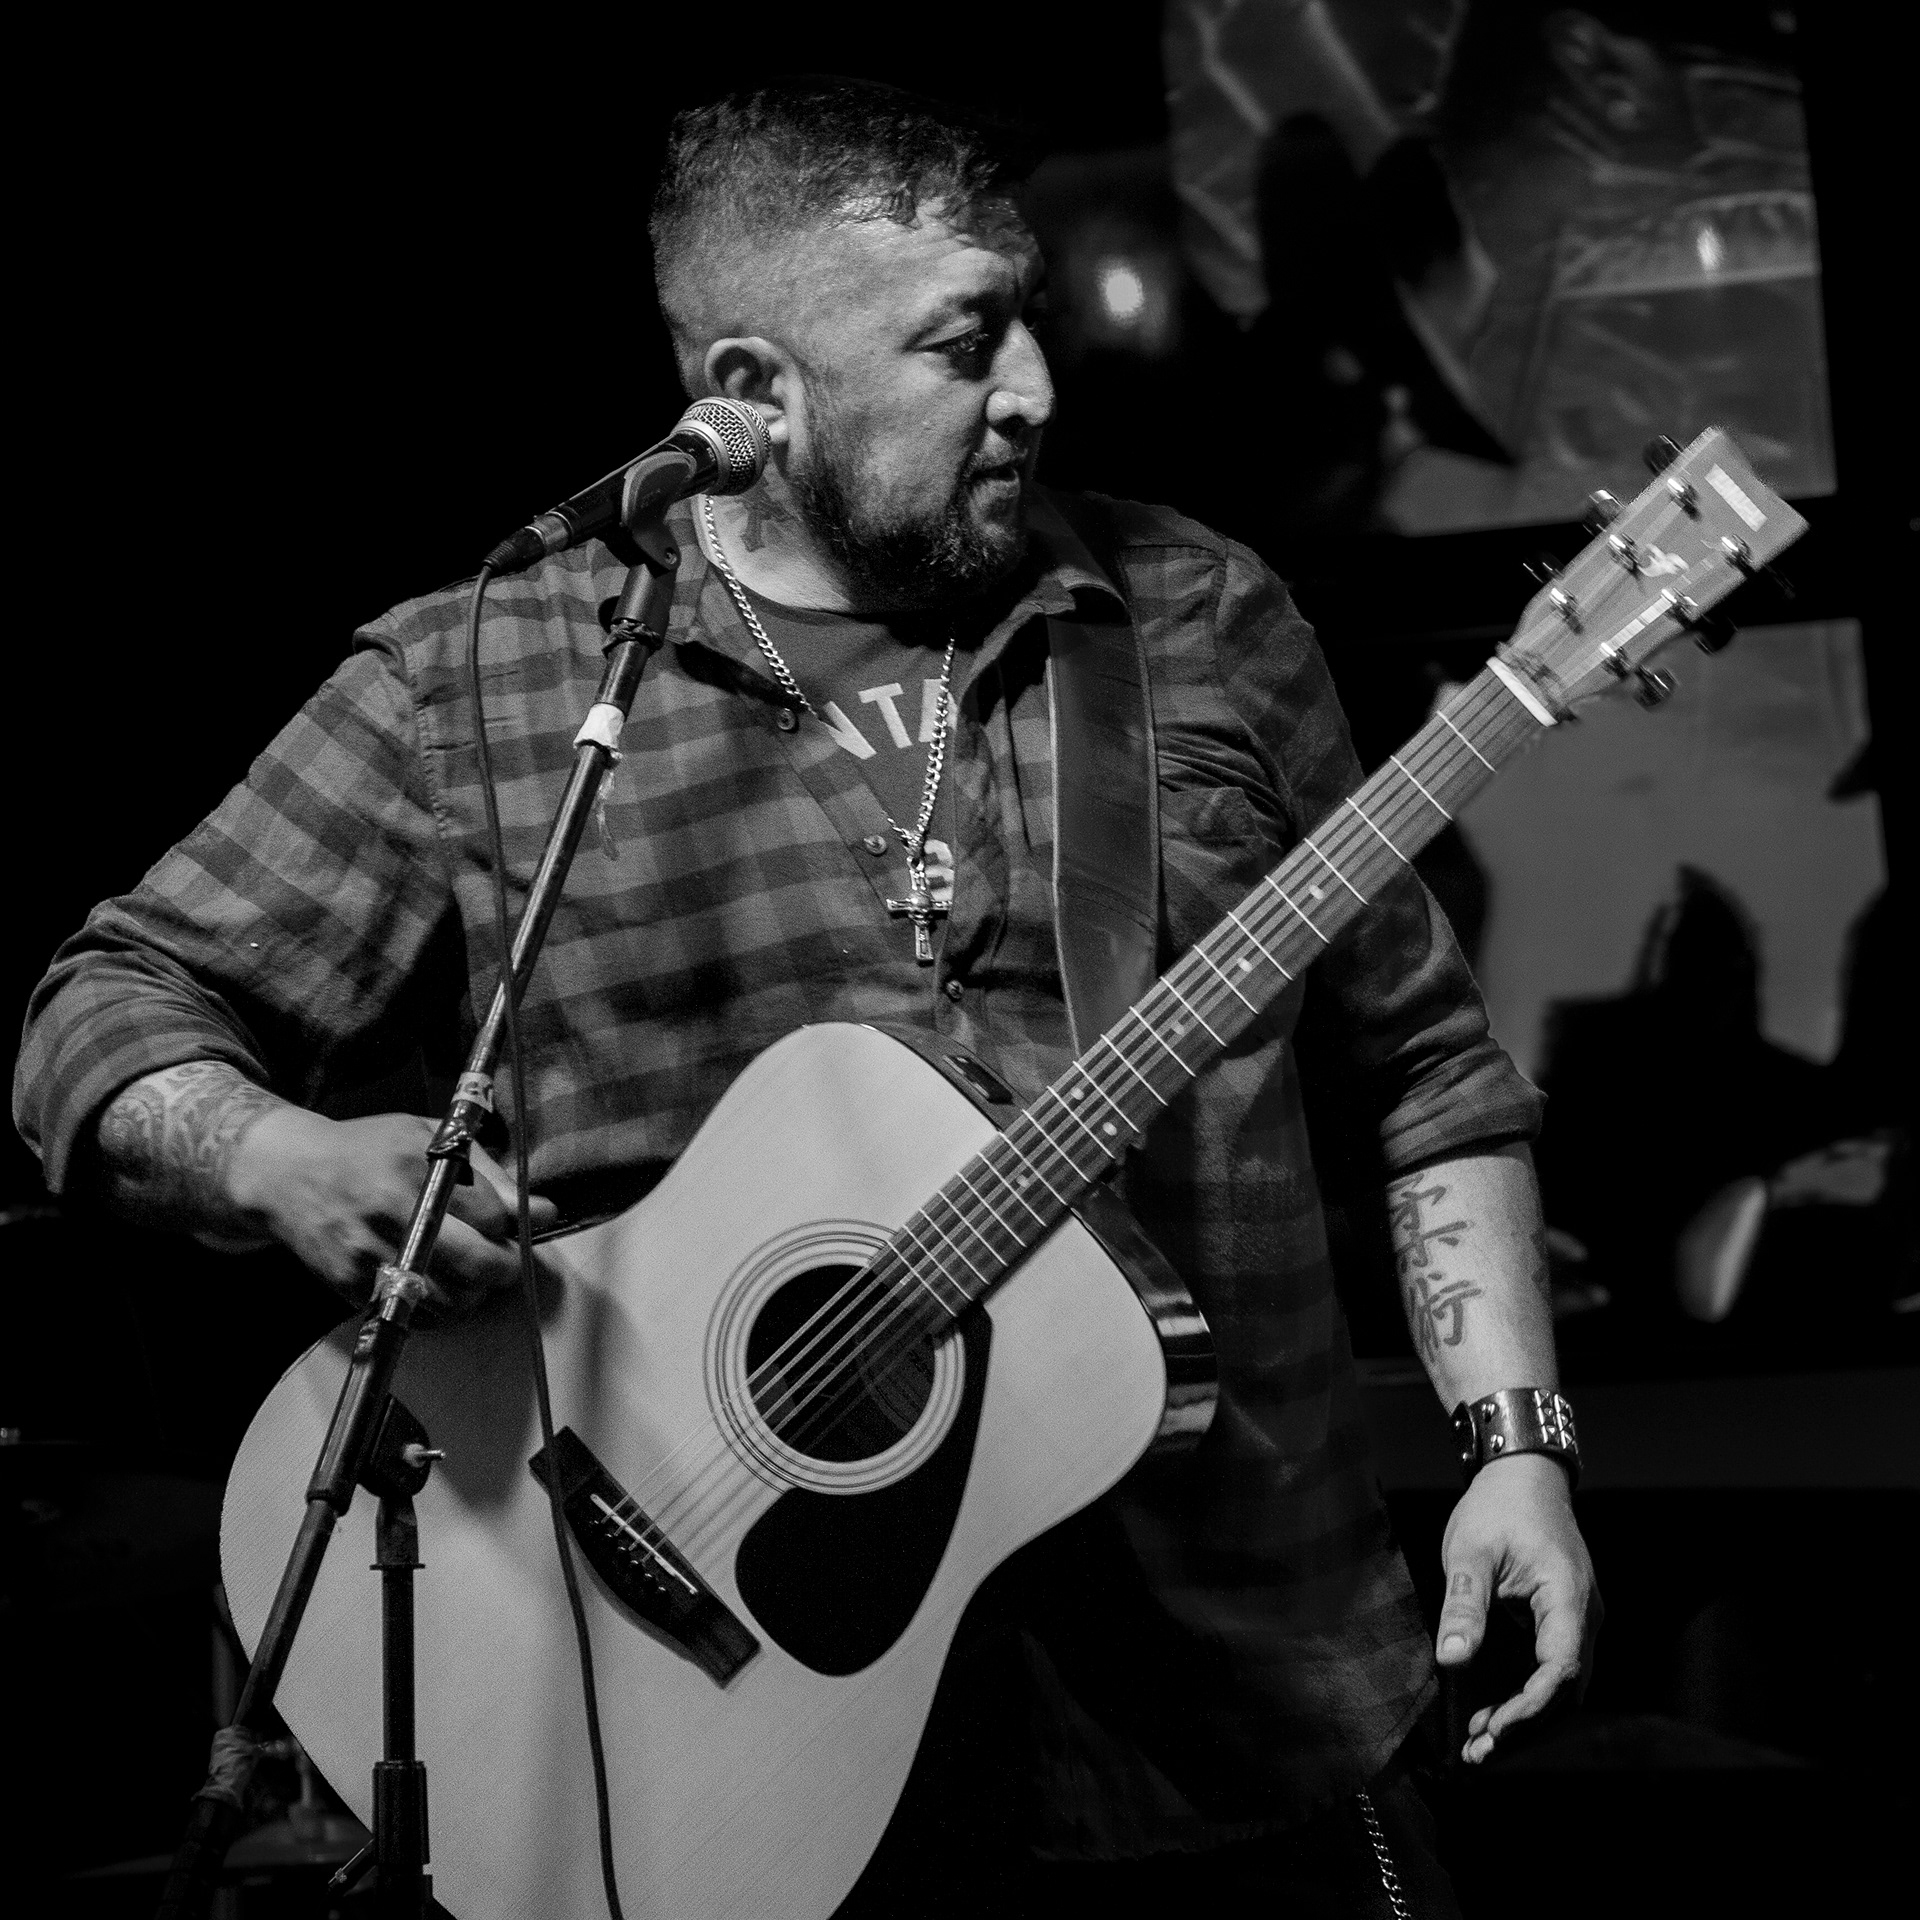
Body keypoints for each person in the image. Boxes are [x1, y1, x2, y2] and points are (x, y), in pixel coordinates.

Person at [13, 77, 1598, 1918]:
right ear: (753, 393)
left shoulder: (1192, 618)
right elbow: (106, 1005)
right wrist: (276, 1157)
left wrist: (1516, 1448)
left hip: (1229, 1688)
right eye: (963, 345)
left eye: (1027, 319)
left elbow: (1427, 1074)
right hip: (712, 1735)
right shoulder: (488, 680)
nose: (1035, 390)